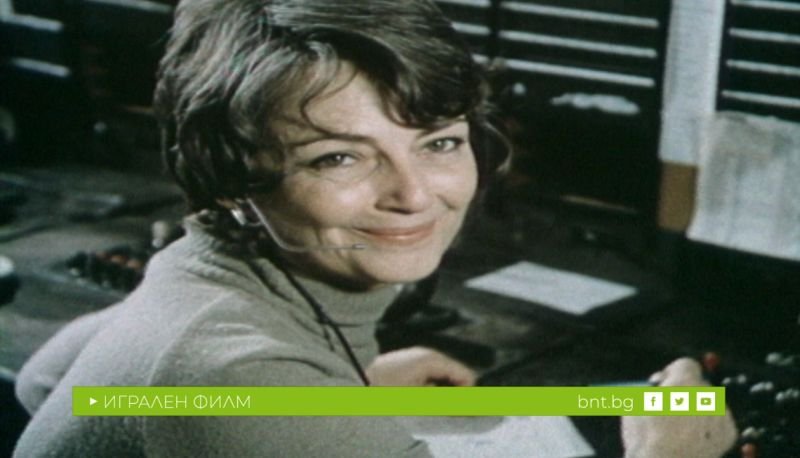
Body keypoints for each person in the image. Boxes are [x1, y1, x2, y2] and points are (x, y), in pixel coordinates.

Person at [13, 0, 736, 456]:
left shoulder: (193, 270)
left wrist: (344, 390)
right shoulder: (230, 371)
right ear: (231, 176)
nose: (415, 194)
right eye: (338, 157)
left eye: (439, 142)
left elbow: (44, 381)